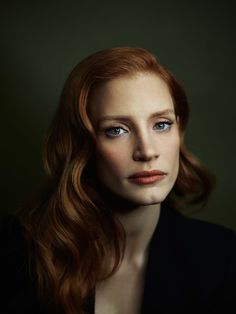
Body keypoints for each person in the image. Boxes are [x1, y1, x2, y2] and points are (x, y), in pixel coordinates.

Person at [1, 47, 235, 314]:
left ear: (179, 131)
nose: (147, 151)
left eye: (161, 124)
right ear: (82, 145)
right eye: (117, 130)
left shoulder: (220, 257)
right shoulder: (17, 252)